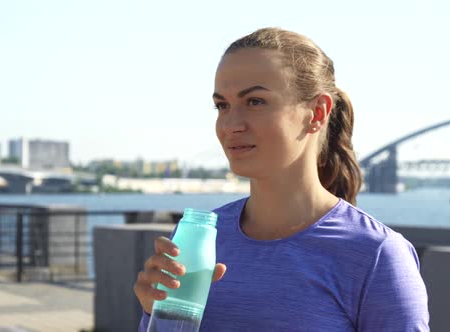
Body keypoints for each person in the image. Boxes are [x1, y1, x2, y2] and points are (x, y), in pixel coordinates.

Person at [133, 27, 429, 331]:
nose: (230, 125)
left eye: (255, 101)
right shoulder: (200, 238)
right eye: (222, 105)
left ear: (317, 112)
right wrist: (152, 314)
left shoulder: (376, 255)